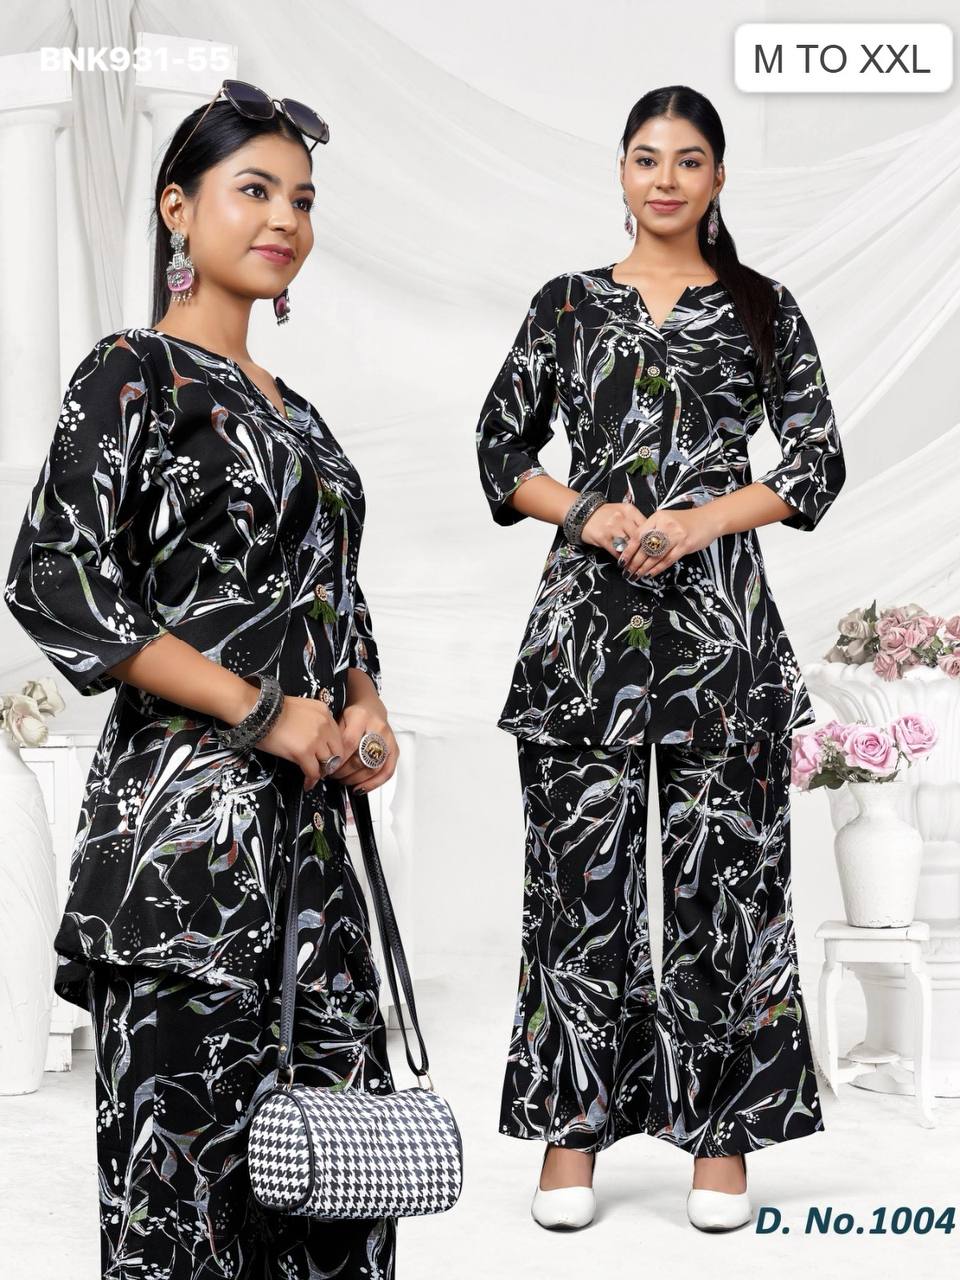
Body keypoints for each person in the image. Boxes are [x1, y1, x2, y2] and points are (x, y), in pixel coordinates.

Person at [4, 81, 400, 1278]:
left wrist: (364, 700)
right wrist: (261, 710)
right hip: (181, 857)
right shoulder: (130, 372)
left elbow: (329, 597)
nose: (285, 218)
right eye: (255, 189)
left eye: (303, 200)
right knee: (181, 1210)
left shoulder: (306, 419)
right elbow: (55, 577)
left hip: (312, 866)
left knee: (340, 1188)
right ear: (178, 209)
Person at [474, 84, 845, 1234]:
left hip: (721, 635)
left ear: (719, 177)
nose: (667, 178)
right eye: (647, 157)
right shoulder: (567, 303)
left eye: (690, 159)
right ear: (622, 172)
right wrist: (590, 513)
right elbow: (499, 450)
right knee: (575, 888)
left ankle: (721, 1135)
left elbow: (818, 461)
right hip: (584, 638)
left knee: (726, 884)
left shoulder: (762, 307)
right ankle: (571, 1128)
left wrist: (700, 521)